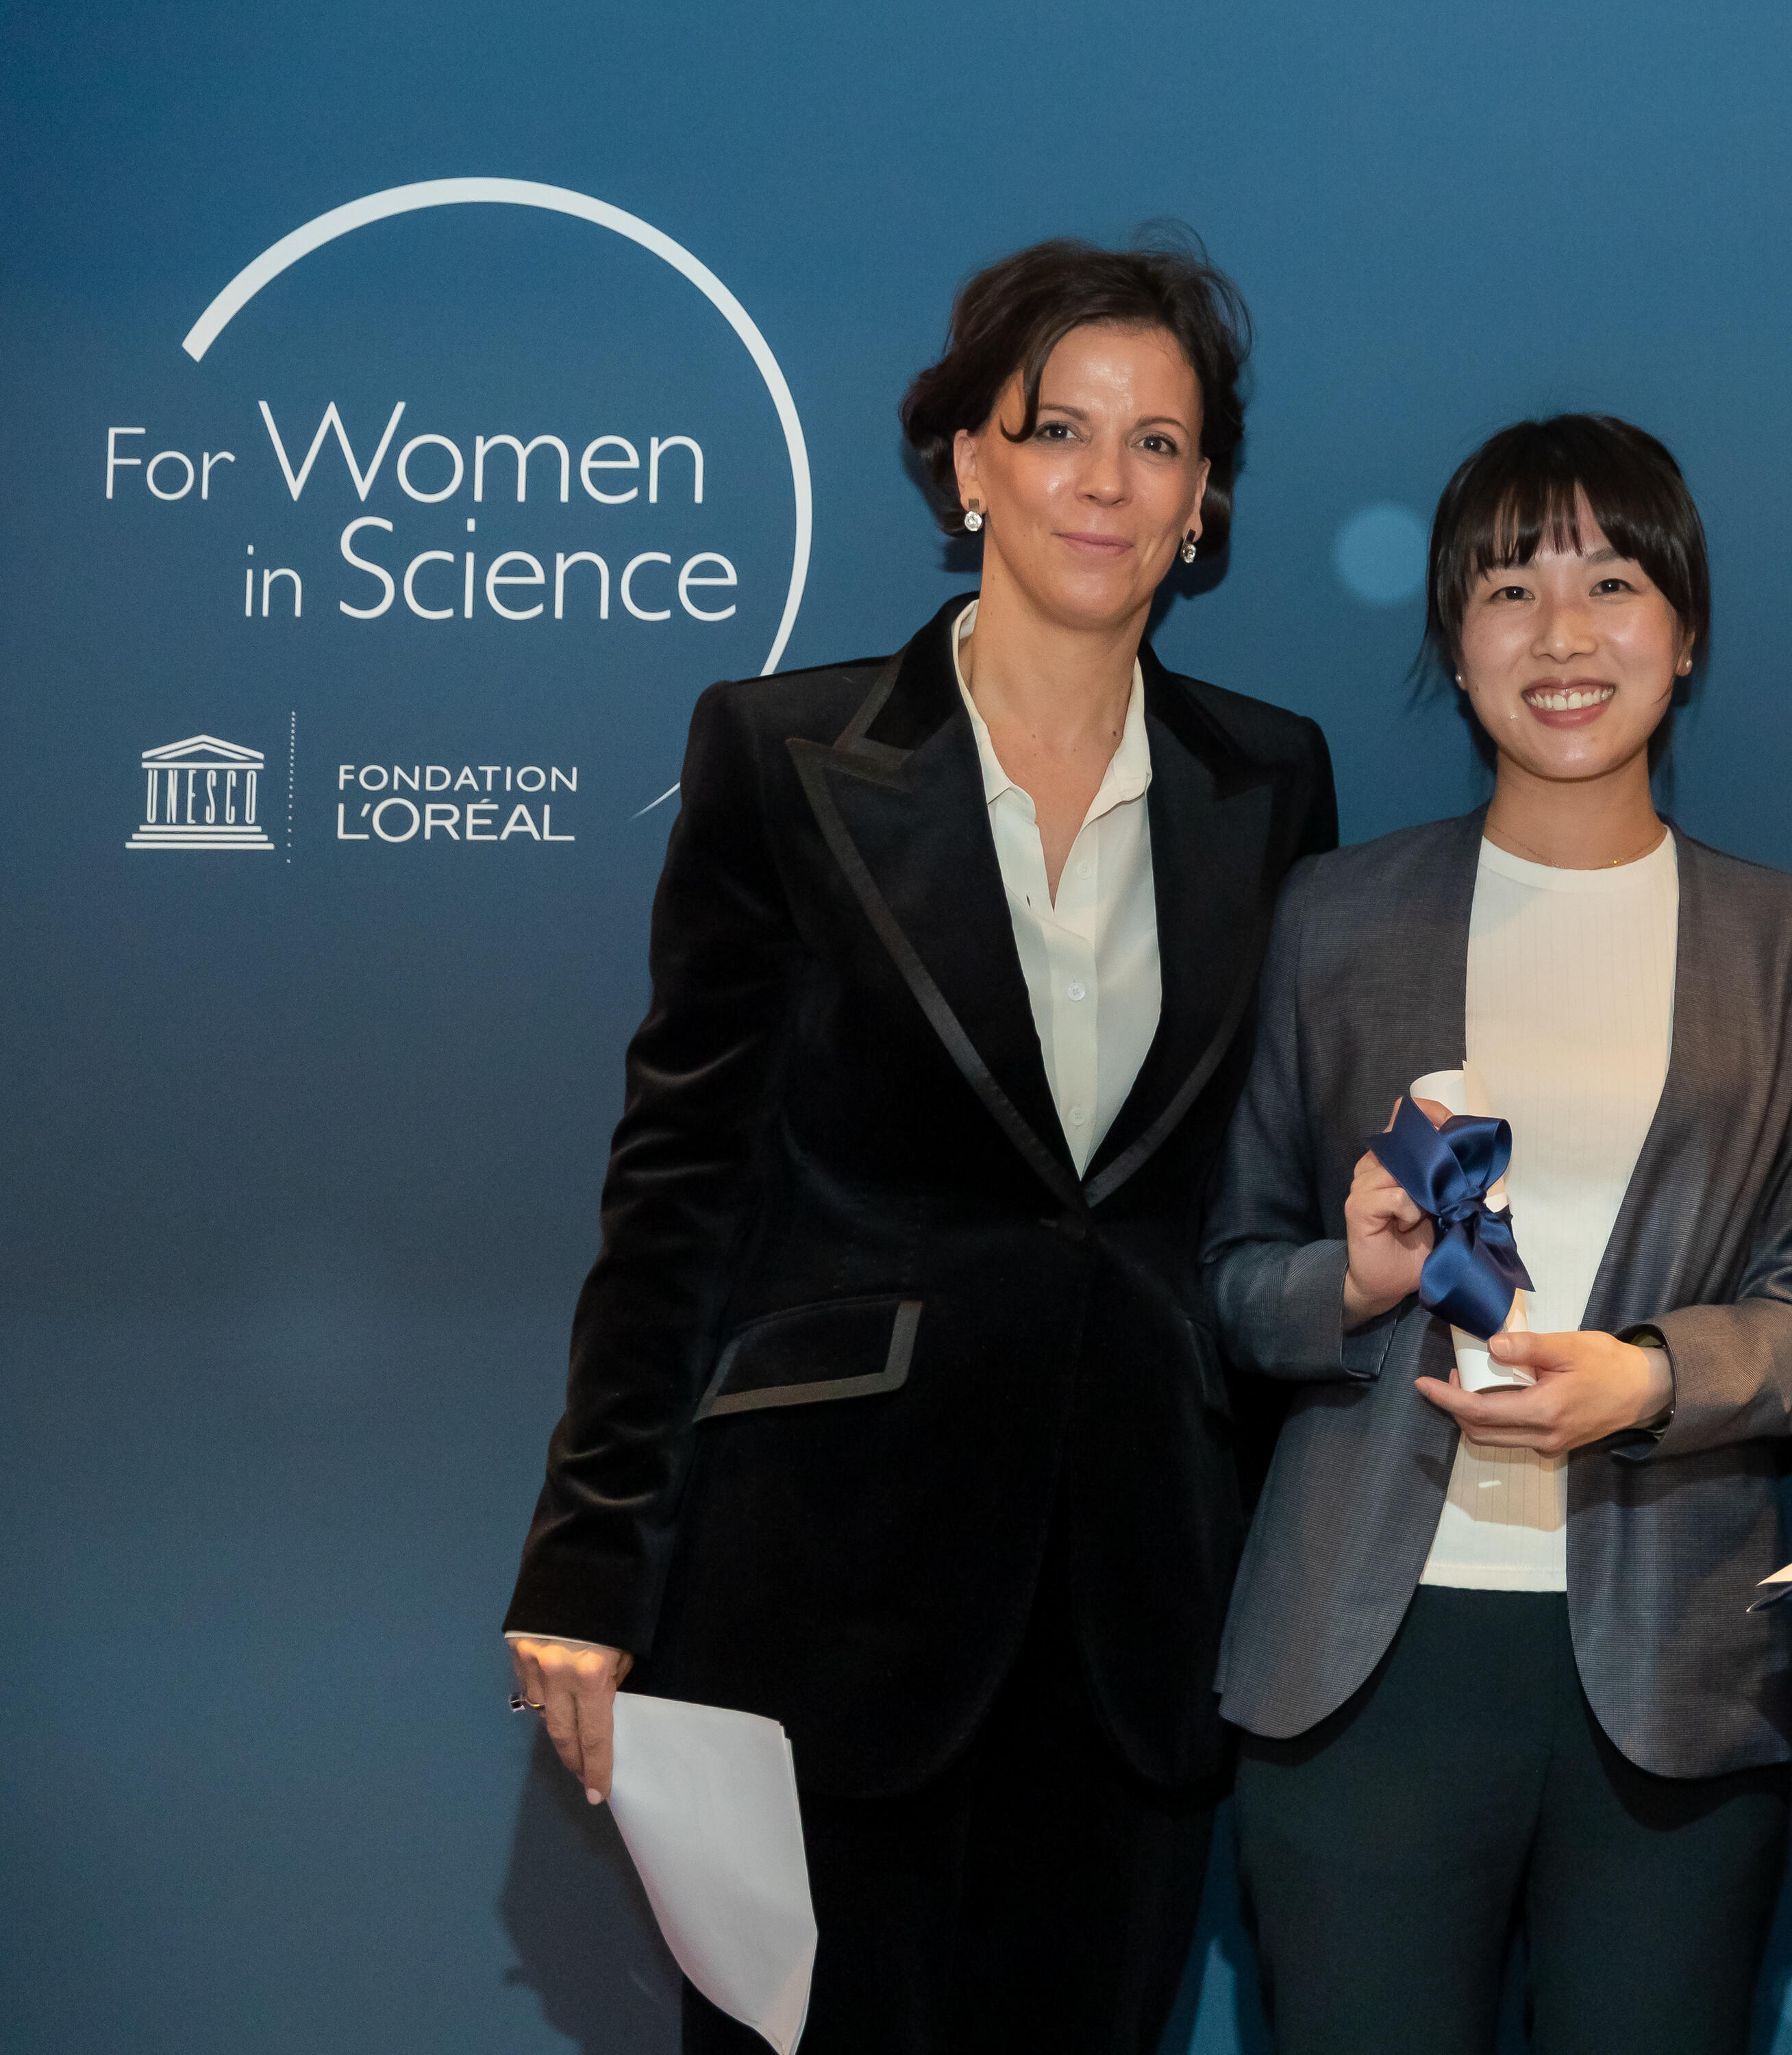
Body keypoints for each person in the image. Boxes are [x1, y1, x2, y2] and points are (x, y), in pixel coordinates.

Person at [499, 234, 1337, 2054]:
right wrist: (586, 1560)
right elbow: (678, 1186)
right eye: (1058, 431)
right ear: (970, 461)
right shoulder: (784, 754)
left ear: (1203, 503)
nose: (1104, 483)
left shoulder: (1271, 787)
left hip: (1133, 1592)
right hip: (826, 1581)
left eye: (1160, 445)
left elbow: (1239, 1194)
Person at [1202, 414, 1792, 2055]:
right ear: (1454, 635)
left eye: (1615, 582)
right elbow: (1230, 1278)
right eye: (1509, 589)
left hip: (1664, 1680)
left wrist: (1646, 1380)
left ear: (1688, 631)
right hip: (1363, 1663)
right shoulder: (1337, 918)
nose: (1563, 637)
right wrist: (1351, 1283)